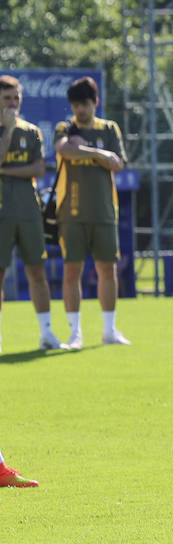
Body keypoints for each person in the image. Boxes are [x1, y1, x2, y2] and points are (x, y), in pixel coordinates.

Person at [55, 76, 129, 348]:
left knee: (107, 269)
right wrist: (99, 154)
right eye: (75, 105)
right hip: (71, 211)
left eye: (84, 104)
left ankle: (109, 330)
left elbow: (118, 163)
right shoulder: (65, 127)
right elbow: (64, 151)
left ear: (95, 102)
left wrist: (87, 150)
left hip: (104, 211)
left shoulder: (109, 128)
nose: (80, 110)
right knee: (71, 271)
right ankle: (75, 333)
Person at [0, 75, 66, 352]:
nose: (13, 103)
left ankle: (46, 333)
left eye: (16, 98)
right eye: (7, 98)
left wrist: (4, 171)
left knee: (36, 270)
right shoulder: (10, 129)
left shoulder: (33, 131)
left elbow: (39, 169)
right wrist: (7, 130)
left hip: (28, 209)